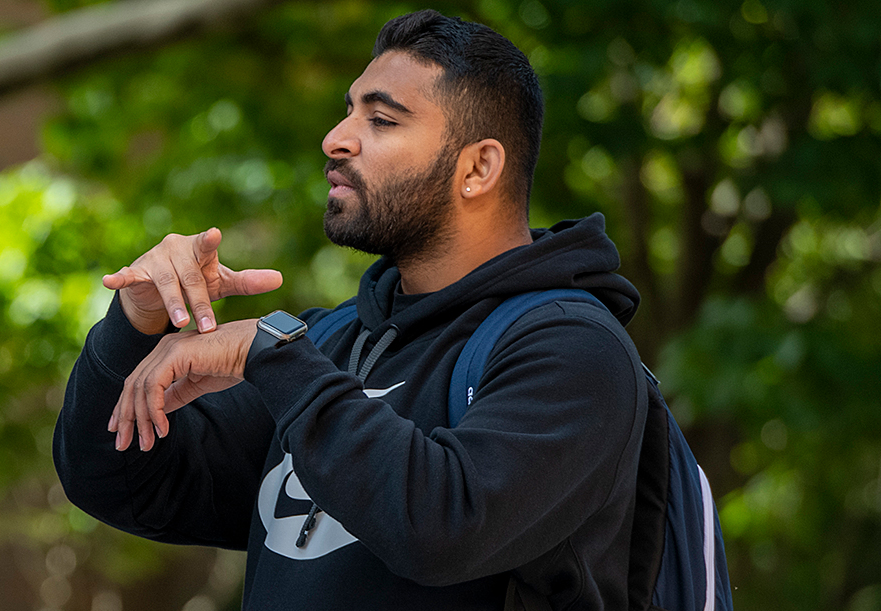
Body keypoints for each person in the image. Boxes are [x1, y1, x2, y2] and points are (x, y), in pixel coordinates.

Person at [54, 11, 652, 610]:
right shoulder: (330, 343)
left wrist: (271, 357)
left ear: (478, 168)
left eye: (382, 119)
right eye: (348, 110)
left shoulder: (573, 348)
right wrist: (136, 323)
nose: (336, 138)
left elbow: (444, 528)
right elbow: (120, 482)